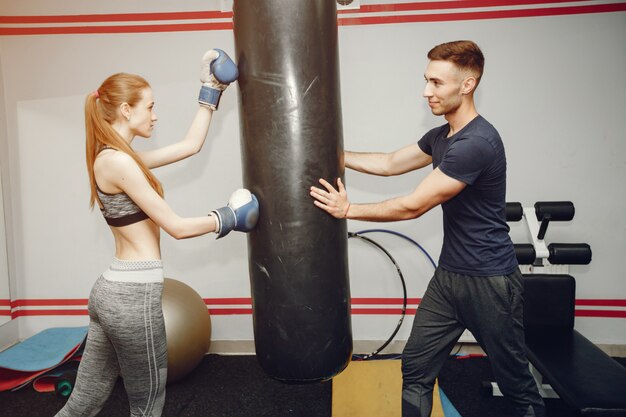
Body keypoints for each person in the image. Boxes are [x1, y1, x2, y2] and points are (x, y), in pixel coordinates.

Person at [310, 40, 545, 417]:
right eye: (426, 80)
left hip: (490, 282)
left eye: (436, 83)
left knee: (516, 383)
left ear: (466, 85)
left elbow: (413, 205)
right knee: (416, 369)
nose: (426, 92)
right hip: (449, 278)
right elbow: (388, 163)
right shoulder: (442, 136)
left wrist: (348, 209)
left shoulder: (476, 143)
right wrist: (326, 153)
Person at [55, 49, 258, 417]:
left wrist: (211, 89)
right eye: (149, 106)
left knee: (83, 403)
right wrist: (228, 217)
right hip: (133, 299)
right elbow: (177, 228)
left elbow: (189, 146)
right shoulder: (119, 162)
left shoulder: (113, 157)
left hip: (109, 293)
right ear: (126, 110)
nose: (155, 114)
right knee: (147, 407)